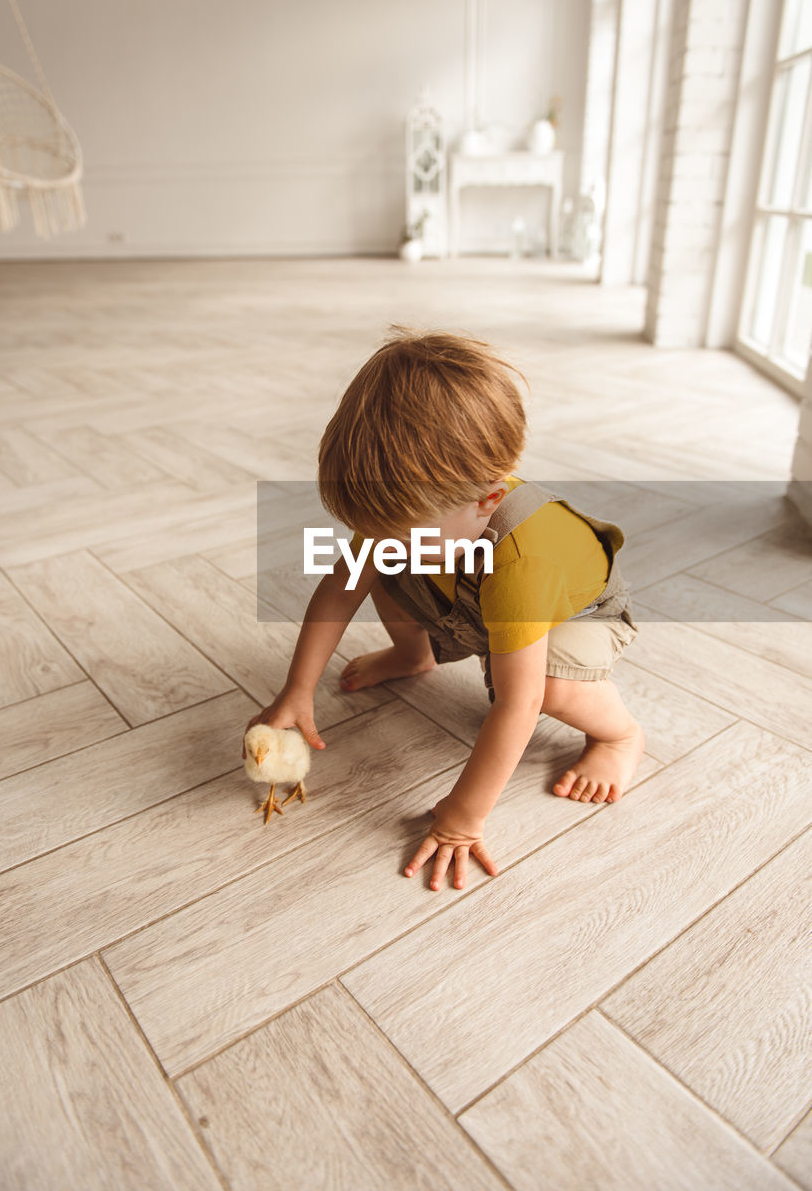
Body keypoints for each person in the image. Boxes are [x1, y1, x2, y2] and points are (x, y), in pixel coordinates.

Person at [243, 327, 644, 892]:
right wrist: (297, 688)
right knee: (377, 565)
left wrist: (463, 816)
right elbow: (342, 587)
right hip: (477, 594)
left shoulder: (526, 559)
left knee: (548, 688)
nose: (387, 543)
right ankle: (415, 654)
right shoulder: (416, 515)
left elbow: (519, 704)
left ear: (487, 501)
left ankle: (620, 737)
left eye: (403, 535)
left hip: (576, 616)